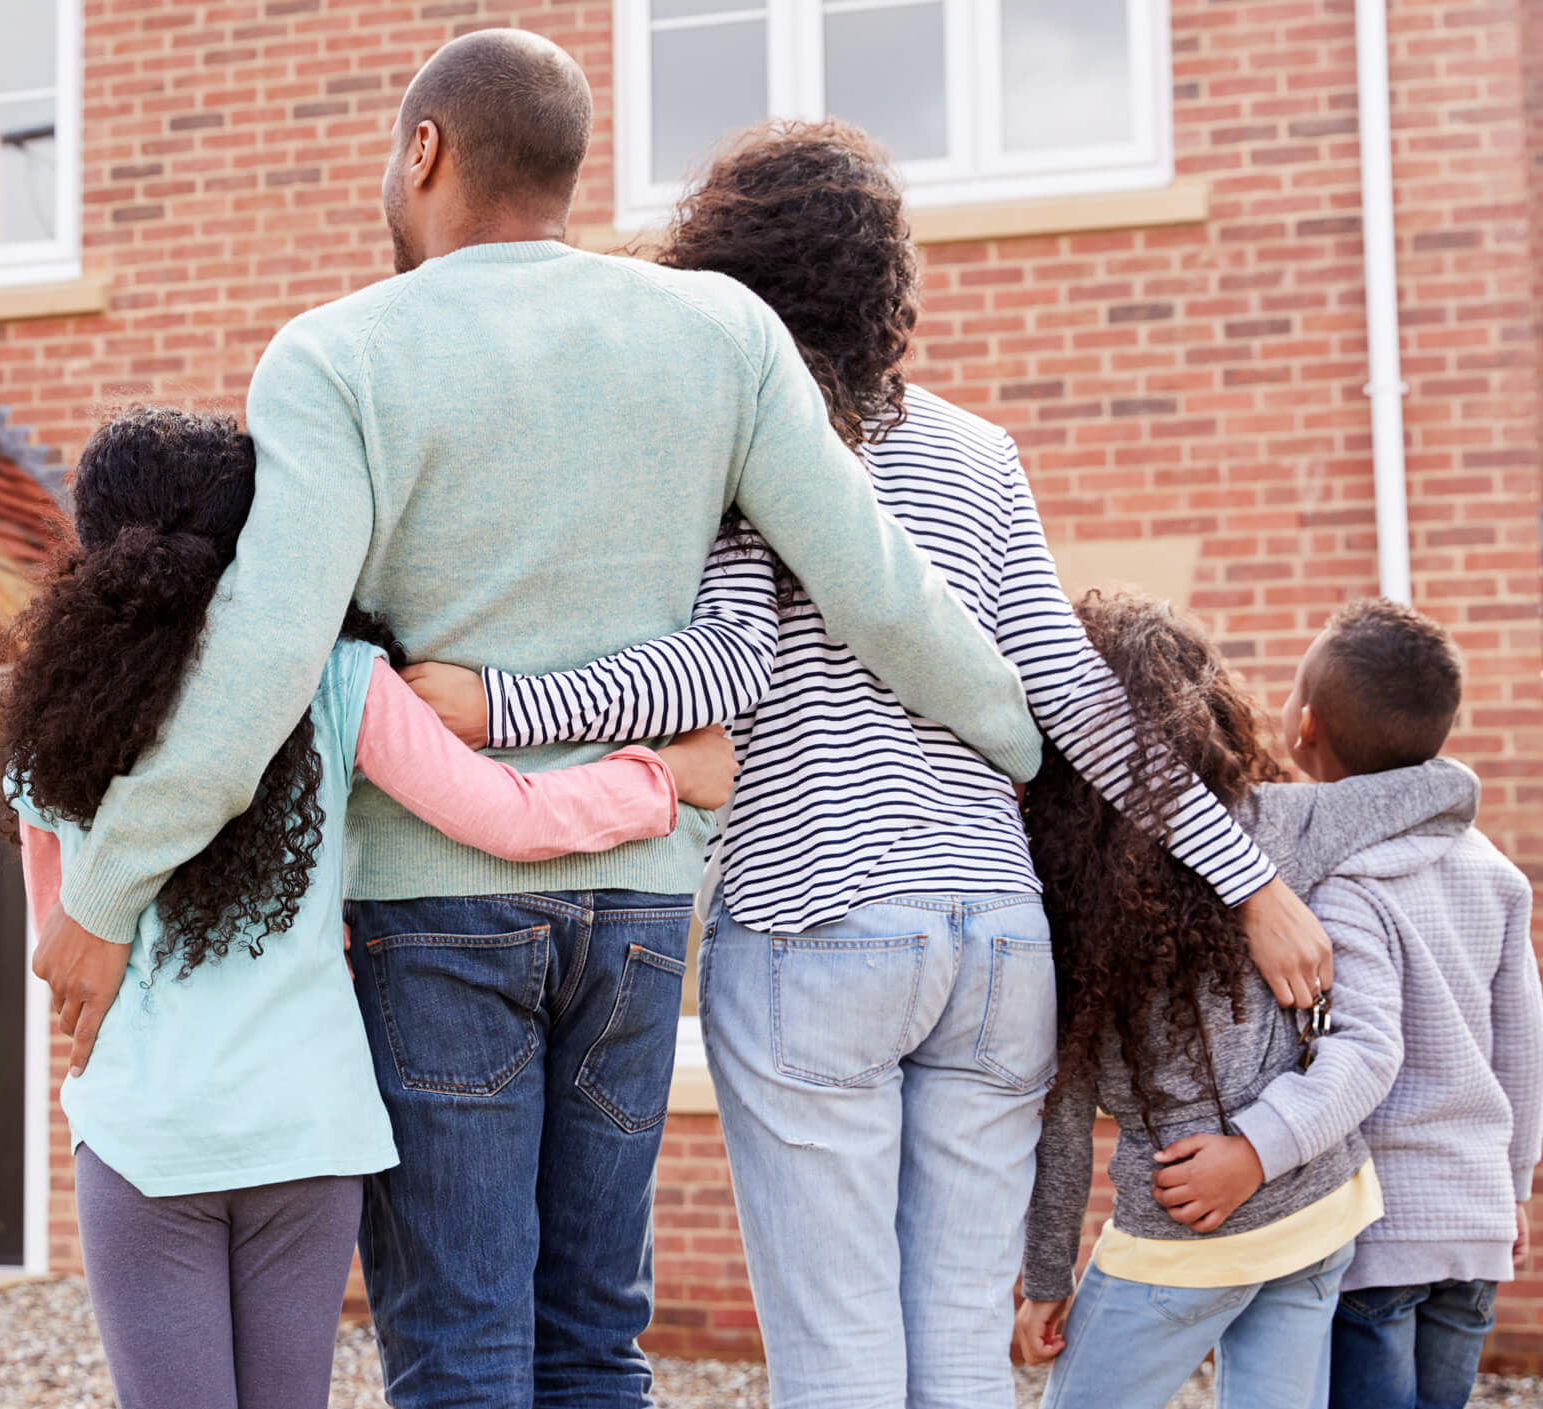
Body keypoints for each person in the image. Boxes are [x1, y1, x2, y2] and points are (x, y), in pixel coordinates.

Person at [27, 34, 1049, 1409]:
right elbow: (885, 594)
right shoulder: (722, 334)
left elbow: (268, 663)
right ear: (567, 170)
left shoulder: (337, 356)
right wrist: (1025, 744)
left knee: (462, 1346)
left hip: (436, 919)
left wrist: (107, 888)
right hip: (632, 911)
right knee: (591, 1341)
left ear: (425, 152)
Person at [401, 120, 1334, 1409]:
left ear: (725, 264)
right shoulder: (977, 453)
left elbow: (720, 668)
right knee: (956, 1359)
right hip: (996, 945)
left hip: (816, 922)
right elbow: (1072, 691)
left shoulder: (745, 440)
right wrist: (1252, 883)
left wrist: (499, 702)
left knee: (837, 1362)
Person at [0, 408, 739, 1409]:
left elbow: (65, 952)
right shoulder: (336, 680)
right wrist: (668, 776)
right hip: (307, 1129)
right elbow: (508, 816)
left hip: (145, 1132)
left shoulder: (47, 720)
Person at [1011, 592, 1488, 1409]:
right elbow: (1446, 785)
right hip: (1320, 1209)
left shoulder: (1061, 902)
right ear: (1214, 719)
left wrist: (1048, 1276)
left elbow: (1062, 1114)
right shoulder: (1281, 826)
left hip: (1186, 1235)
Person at [1277, 601, 1542, 1409]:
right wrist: (1515, 1185)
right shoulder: (1496, 872)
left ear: (1307, 724)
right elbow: (1523, 1049)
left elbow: (1362, 1050)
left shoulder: (1347, 880)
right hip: (1474, 1217)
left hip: (1380, 1229)